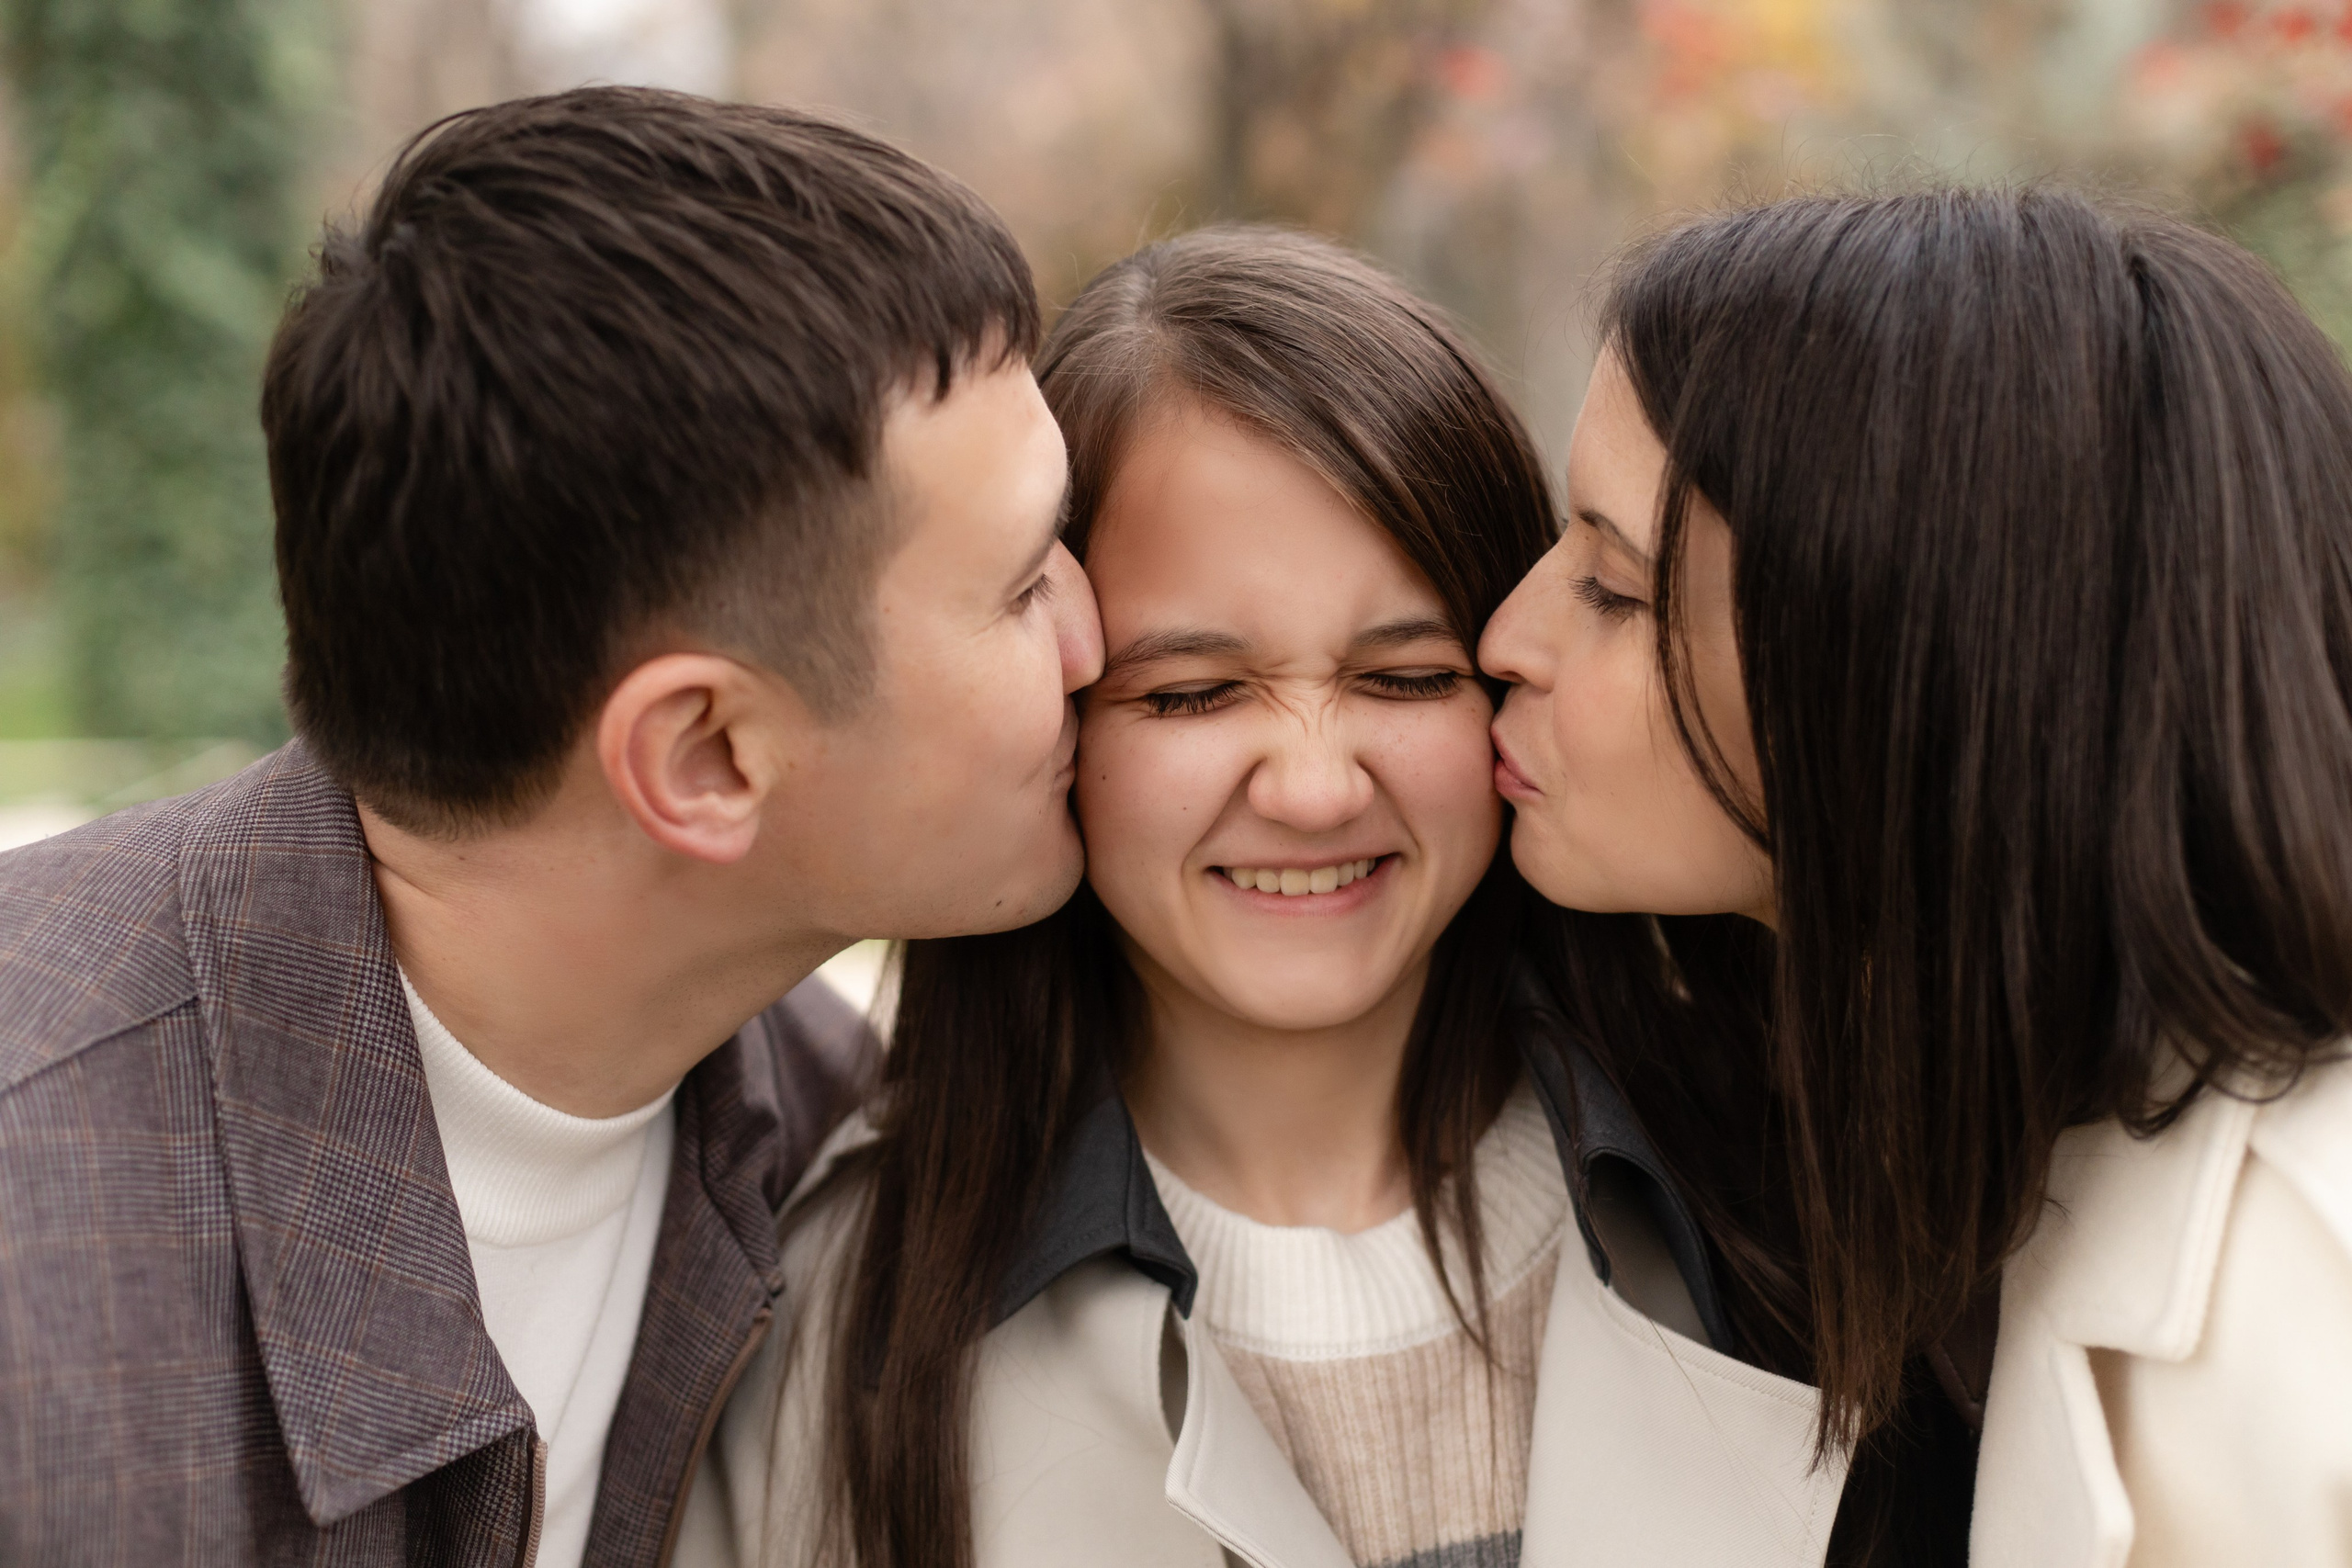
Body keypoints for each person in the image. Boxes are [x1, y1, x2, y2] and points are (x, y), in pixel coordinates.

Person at [0, 87, 1103, 1567]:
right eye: (1028, 583)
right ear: (705, 755)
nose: (1105, 640)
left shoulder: (834, 1146)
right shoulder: (41, 1250)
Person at [685, 227, 1850, 1568]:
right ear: (1054, 699)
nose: (1312, 788)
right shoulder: (836, 1327)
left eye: (1407, 677)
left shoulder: (1793, 1194)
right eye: (1190, 695)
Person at [1480, 185, 2352, 1566]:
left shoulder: (2305, 1305)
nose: (1503, 636)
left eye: (1611, 587)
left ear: (1901, 661)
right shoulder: (1894, 1141)